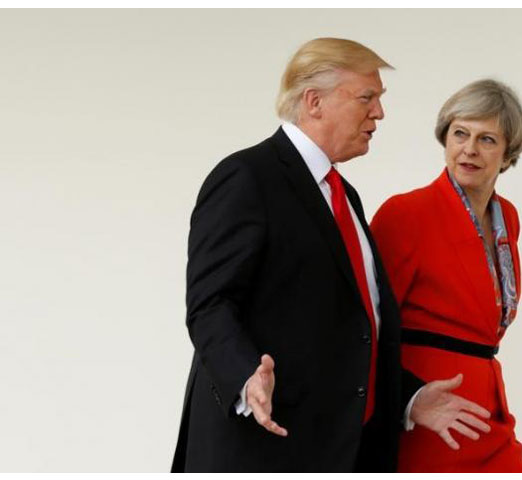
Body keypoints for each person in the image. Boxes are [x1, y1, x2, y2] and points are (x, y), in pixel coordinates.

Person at [170, 38, 491, 473]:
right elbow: (210, 304)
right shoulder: (247, 177)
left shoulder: (346, 197)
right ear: (314, 102)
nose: (379, 113)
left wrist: (410, 396)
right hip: (267, 449)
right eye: (367, 98)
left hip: (345, 449)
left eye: (379, 99)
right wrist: (245, 375)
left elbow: (352, 330)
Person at [370, 79, 522, 472]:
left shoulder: (506, 217)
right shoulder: (405, 214)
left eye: (487, 139)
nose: (470, 149)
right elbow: (369, 325)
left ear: (508, 154)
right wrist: (410, 400)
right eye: (460, 133)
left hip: (490, 411)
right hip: (432, 415)